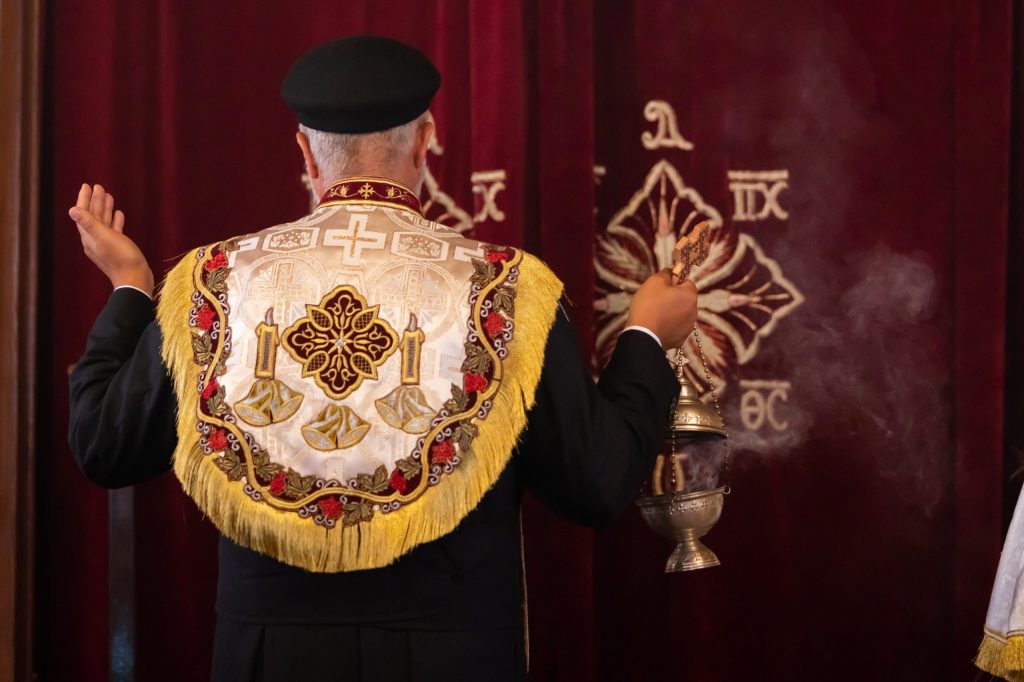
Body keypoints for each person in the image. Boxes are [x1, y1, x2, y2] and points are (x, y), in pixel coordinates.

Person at [67, 35, 698, 682]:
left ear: (306, 153)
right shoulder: (507, 289)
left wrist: (130, 288)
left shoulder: (214, 282)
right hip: (455, 659)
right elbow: (596, 483)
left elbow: (103, 443)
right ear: (427, 142)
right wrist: (646, 338)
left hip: (267, 661)